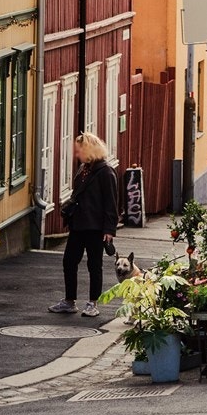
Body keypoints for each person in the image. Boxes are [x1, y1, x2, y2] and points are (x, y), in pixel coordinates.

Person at [50, 132, 118, 317]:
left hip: (95, 227)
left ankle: (93, 303)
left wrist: (109, 230)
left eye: (79, 151)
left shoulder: (105, 172)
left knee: (94, 265)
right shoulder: (83, 169)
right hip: (78, 224)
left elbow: (111, 203)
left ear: (89, 150)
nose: (76, 154)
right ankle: (69, 300)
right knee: (69, 261)